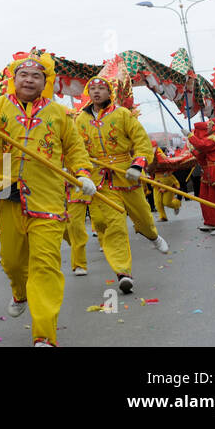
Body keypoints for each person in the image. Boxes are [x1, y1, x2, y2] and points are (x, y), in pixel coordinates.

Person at [0, 52, 96, 347]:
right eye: (24, 75)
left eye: (36, 76)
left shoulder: (59, 113)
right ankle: (19, 292)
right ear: (14, 78)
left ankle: (44, 335)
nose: (29, 80)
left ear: (45, 82)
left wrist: (83, 174)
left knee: (45, 265)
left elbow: (74, 149)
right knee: (12, 262)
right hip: (7, 194)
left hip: (47, 196)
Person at [69, 77, 169, 295]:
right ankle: (123, 273)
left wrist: (138, 164)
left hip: (127, 175)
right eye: (92, 89)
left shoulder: (123, 114)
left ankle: (152, 235)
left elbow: (141, 141)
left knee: (143, 216)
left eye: (101, 89)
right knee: (113, 225)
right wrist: (83, 172)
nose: (96, 92)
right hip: (100, 180)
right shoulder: (80, 120)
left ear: (109, 93)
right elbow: (76, 148)